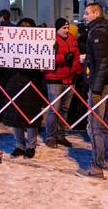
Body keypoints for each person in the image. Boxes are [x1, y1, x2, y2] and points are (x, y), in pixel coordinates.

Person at [76, 3, 108, 179]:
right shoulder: (105, 29)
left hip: (100, 84)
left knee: (94, 127)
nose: (84, 16)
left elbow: (102, 64)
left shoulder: (99, 32)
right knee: (106, 124)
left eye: (87, 13)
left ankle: (96, 167)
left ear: (95, 13)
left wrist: (96, 89)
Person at [3, 18, 45, 159]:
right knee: (16, 116)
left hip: (31, 84)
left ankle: (31, 146)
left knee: (31, 116)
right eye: (21, 28)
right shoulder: (11, 43)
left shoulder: (39, 45)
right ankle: (19, 145)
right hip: (15, 82)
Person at [44, 17, 82, 148]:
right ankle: (50, 136)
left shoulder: (72, 38)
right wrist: (63, 58)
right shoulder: (51, 39)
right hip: (55, 79)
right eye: (63, 28)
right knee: (54, 110)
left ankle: (61, 135)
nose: (66, 30)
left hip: (70, 79)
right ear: (57, 29)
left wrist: (77, 71)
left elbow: (76, 56)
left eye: (67, 27)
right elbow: (47, 57)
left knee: (64, 110)